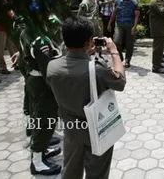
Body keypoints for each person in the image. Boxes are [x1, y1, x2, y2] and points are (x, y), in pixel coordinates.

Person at [47, 16, 126, 179]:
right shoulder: (97, 69)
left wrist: (83, 52)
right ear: (90, 41)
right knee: (97, 171)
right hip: (96, 128)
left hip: (71, 129)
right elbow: (121, 81)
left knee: (70, 169)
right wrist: (114, 51)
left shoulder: (52, 66)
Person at [18, 12, 62, 175]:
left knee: (41, 118)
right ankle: (37, 161)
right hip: (42, 83)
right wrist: (56, 90)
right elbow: (47, 70)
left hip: (34, 79)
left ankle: (41, 150)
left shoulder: (26, 31)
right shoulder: (41, 40)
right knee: (45, 120)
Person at [107, 0, 139, 68]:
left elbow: (136, 15)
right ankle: (120, 56)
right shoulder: (118, 1)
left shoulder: (134, 3)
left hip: (130, 25)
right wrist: (110, 23)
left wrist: (135, 26)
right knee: (117, 41)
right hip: (120, 25)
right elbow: (114, 12)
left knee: (129, 44)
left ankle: (128, 60)